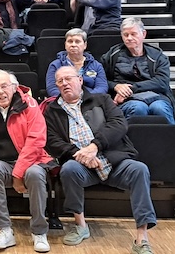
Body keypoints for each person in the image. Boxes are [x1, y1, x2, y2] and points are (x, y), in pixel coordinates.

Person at [44, 66, 157, 254]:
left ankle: (142, 237)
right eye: (59, 81)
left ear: (80, 80)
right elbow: (52, 140)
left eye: (68, 79)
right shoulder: (52, 110)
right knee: (69, 169)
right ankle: (80, 226)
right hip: (82, 166)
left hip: (114, 161)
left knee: (139, 170)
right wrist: (80, 155)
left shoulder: (102, 99)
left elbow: (119, 124)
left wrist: (94, 147)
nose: (64, 83)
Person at [0, 70, 53, 252]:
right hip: (4, 161)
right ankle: (4, 230)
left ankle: (39, 231)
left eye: (4, 87)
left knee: (34, 174)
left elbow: (36, 141)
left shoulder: (30, 105)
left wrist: (18, 174)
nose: (0, 92)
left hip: (32, 160)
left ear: (14, 87)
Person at [100, 17, 175, 124]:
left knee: (160, 108)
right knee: (138, 107)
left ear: (143, 34)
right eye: (126, 35)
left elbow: (162, 82)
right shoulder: (112, 55)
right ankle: (130, 140)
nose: (129, 38)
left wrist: (132, 88)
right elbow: (101, 79)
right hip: (127, 100)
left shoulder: (157, 56)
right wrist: (115, 86)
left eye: (133, 34)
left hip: (156, 96)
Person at [45, 28, 107, 97]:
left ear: (85, 45)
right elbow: (52, 89)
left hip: (92, 101)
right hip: (64, 101)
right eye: (70, 41)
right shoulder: (55, 65)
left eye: (77, 41)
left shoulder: (96, 65)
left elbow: (102, 88)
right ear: (65, 45)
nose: (73, 45)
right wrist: (70, 98)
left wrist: (85, 98)